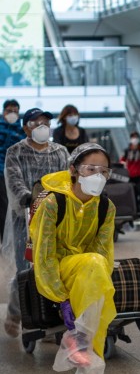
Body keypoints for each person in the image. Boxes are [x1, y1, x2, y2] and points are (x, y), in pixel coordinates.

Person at [31, 143, 117, 374]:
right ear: (73, 171)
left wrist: (96, 288)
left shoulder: (105, 207)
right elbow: (43, 256)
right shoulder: (53, 202)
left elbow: (105, 253)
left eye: (104, 170)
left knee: (94, 359)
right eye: (90, 169)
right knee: (92, 264)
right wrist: (61, 298)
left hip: (91, 283)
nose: (98, 175)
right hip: (63, 274)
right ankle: (77, 337)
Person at [3, 109, 70, 337]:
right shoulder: (16, 152)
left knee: (54, 266)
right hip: (25, 218)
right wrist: (30, 199)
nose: (42, 126)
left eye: (45, 122)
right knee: (26, 268)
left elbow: (68, 180)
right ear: (25, 128)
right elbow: (13, 181)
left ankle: (51, 320)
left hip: (56, 218)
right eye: (36, 122)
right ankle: (15, 310)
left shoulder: (61, 152)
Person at [0, 98, 21, 242]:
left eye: (15, 111)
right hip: (0, 171)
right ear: (3, 112)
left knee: (8, 206)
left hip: (14, 174)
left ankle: (8, 238)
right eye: (9, 111)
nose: (12, 114)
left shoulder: (21, 130)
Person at [120, 132, 140, 217]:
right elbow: (121, 160)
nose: (134, 140)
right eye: (133, 138)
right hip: (130, 176)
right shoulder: (127, 150)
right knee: (133, 194)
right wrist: (124, 164)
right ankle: (135, 211)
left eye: (136, 137)